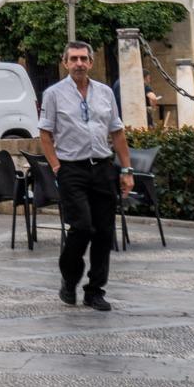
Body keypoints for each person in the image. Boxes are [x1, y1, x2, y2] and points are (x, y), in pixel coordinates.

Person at [39, 39, 132, 312]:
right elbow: (45, 134)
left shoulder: (105, 92)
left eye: (83, 58)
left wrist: (126, 170)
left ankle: (95, 290)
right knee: (81, 227)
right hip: (71, 168)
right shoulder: (53, 94)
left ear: (91, 62)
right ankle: (69, 280)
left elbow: (117, 132)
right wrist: (57, 166)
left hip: (103, 167)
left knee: (104, 232)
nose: (79, 63)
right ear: (65, 62)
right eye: (74, 59)